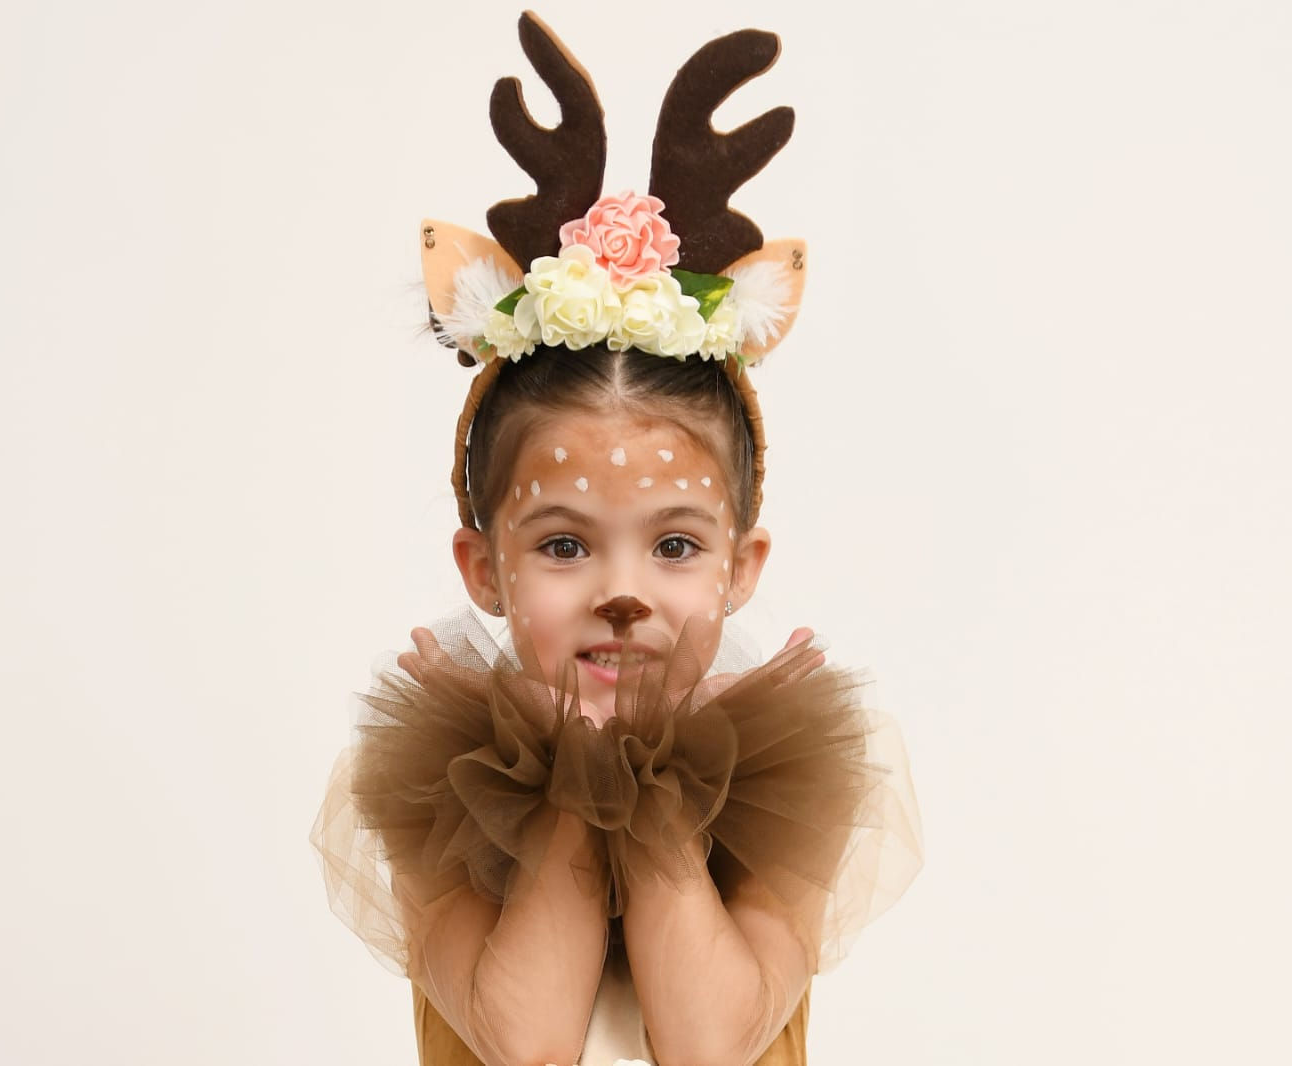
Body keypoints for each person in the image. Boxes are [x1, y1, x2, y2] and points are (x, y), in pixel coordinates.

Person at [311, 12, 924, 1065]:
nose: (622, 592)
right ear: (483, 571)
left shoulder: (782, 777)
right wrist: (578, 784)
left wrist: (656, 790)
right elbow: (528, 1043)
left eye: (675, 547)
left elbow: (708, 1044)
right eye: (563, 547)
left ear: (741, 568)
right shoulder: (441, 779)